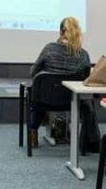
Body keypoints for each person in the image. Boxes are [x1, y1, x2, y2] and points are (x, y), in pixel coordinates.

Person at [29, 17, 91, 147]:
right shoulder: (83, 55)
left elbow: (33, 72)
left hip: (46, 100)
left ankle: (33, 130)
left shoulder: (49, 49)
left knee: (38, 93)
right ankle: (87, 139)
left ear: (61, 32)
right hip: (71, 101)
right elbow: (87, 79)